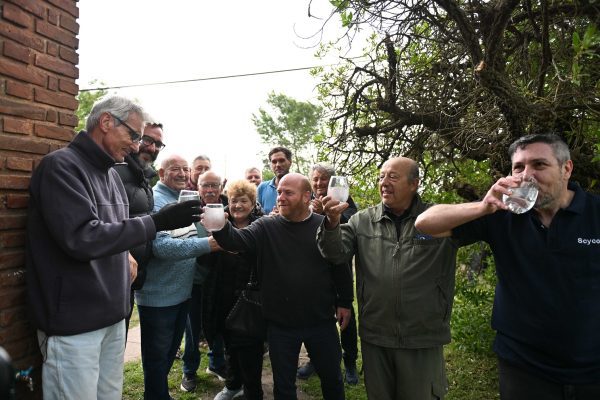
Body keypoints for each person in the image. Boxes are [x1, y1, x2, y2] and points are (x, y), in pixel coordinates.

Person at [26, 96, 200, 400]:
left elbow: (113, 234)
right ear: (106, 122)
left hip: (114, 316)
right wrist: (156, 222)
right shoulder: (61, 166)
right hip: (74, 325)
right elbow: (82, 238)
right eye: (133, 135)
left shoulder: (111, 176)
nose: (135, 146)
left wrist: (127, 253)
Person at [415, 133, 600, 400]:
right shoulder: (502, 215)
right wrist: (482, 207)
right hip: (524, 368)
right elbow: (424, 224)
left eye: (539, 165)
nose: (527, 175)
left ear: (566, 169)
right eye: (519, 167)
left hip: (593, 369)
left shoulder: (594, 212)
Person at [317, 157, 459, 400]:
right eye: (381, 176)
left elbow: (481, 224)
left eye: (393, 177)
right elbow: (335, 253)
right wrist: (331, 223)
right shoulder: (362, 220)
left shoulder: (437, 218)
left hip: (422, 337)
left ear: (414, 184)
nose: (384, 182)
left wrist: (488, 204)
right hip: (376, 335)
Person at [208, 173, 352, 400]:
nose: (280, 197)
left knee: (332, 380)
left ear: (307, 196)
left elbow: (340, 265)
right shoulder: (266, 226)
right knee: (283, 387)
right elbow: (235, 241)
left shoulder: (325, 225)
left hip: (321, 321)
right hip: (280, 324)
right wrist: (219, 225)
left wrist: (344, 301)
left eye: (288, 193)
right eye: (279, 192)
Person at [135, 155, 221, 400]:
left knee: (168, 354)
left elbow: (187, 239)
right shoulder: (157, 200)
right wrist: (209, 244)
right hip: (159, 296)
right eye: (176, 169)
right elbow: (162, 248)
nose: (183, 174)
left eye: (186, 169)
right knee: (157, 358)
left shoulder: (182, 198)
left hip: (181, 293)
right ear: (161, 173)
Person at [297, 163, 360, 385]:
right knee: (316, 317)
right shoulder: (307, 200)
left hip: (339, 269)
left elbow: (352, 222)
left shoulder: (344, 199)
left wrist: (329, 215)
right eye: (315, 179)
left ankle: (350, 361)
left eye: (323, 179)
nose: (318, 183)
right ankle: (315, 360)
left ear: (332, 181)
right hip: (315, 272)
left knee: (345, 317)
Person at [202, 180, 265, 400]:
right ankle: (233, 385)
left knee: (250, 350)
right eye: (233, 200)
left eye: (243, 200)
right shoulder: (219, 225)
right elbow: (205, 263)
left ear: (252, 203)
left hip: (250, 301)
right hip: (223, 296)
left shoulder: (261, 227)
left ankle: (253, 391)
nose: (237, 205)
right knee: (230, 345)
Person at [114, 121, 166, 334]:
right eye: (147, 140)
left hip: (130, 281)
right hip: (112, 277)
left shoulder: (142, 178)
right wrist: (122, 252)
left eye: (158, 144)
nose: (152, 148)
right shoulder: (114, 171)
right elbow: (101, 221)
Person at [181, 170, 227, 392]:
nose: (209, 190)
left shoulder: (226, 211)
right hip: (195, 282)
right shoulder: (189, 211)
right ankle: (189, 371)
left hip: (219, 282)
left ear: (220, 188)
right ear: (197, 187)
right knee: (192, 328)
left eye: (214, 185)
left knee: (217, 323)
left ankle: (216, 363)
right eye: (205, 185)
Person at [257, 146, 292, 213]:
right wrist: (269, 219)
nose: (278, 165)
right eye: (274, 162)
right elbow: (256, 215)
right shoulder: (262, 188)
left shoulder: (300, 185)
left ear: (290, 162)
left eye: (281, 160)